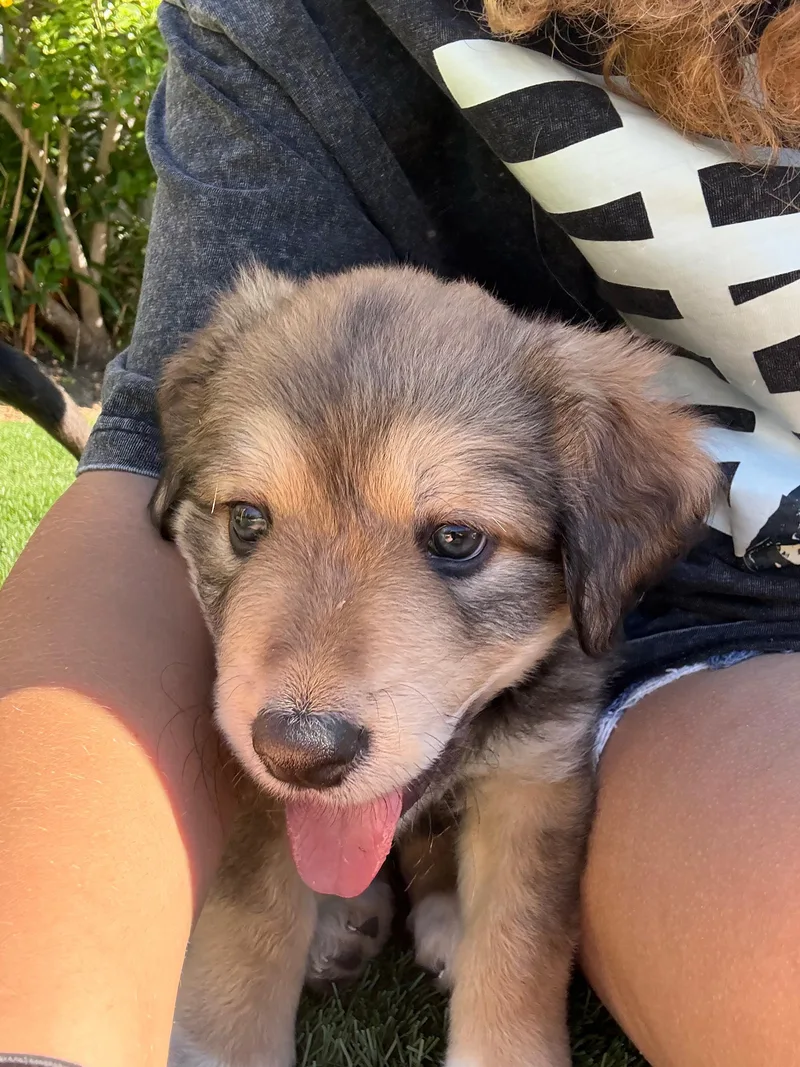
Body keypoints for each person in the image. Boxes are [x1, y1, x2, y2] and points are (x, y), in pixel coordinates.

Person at [1, 2, 799, 1066]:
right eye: (251, 516)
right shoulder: (300, 29)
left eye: (452, 539)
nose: (313, 678)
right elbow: (148, 469)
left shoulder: (583, 448)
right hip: (725, 632)